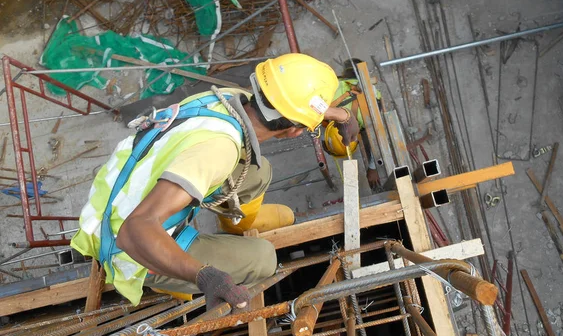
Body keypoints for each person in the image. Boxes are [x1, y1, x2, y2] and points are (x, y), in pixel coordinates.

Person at [71, 53, 359, 309]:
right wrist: (204, 276)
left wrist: (340, 115)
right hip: (125, 242)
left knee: (257, 172)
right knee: (263, 259)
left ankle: (236, 224)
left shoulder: (227, 97)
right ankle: (164, 278)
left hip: (119, 189)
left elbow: (286, 104)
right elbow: (135, 230)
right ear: (295, 132)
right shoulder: (219, 151)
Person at [322, 58, 382, 189]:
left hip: (360, 95)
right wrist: (372, 168)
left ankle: (351, 68)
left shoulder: (368, 114)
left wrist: (372, 168)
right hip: (343, 86)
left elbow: (376, 140)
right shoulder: (331, 93)